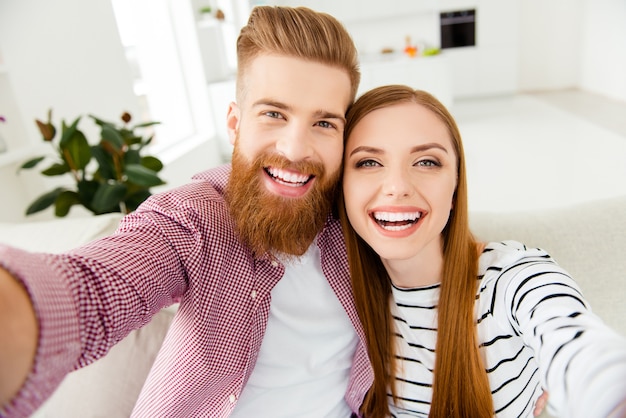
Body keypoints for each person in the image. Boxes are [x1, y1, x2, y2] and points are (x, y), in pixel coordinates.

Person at [0, 6, 371, 417]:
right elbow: (93, 293)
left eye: (324, 124)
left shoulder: (363, 225)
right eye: (273, 114)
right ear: (234, 124)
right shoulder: (195, 218)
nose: (295, 148)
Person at [338, 85, 626, 418]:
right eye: (369, 162)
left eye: (427, 161)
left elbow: (574, 340)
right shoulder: (337, 290)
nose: (398, 186)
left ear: (456, 184)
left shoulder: (508, 279)